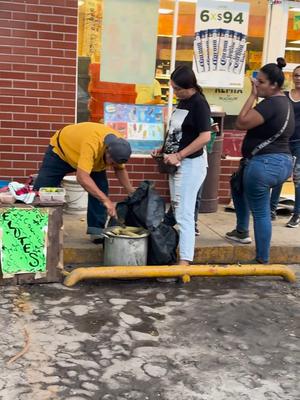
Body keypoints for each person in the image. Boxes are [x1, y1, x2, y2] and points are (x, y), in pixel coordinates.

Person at [226, 58, 294, 264]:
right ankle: (240, 230)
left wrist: (252, 96)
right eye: (256, 81)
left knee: (262, 213)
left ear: (274, 85)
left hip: (264, 165)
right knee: (237, 186)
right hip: (282, 163)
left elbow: (240, 122)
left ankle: (262, 258)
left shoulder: (271, 104)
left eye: (261, 82)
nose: (257, 85)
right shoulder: (286, 103)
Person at [33, 122, 134, 242]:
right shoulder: (92, 144)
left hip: (94, 162)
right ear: (107, 150)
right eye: (111, 162)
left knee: (99, 189)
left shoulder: (119, 147)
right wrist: (106, 200)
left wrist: (131, 192)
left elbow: (119, 169)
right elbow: (81, 177)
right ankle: (36, 229)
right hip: (62, 152)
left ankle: (96, 231)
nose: (112, 165)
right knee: (42, 190)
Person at [152, 65, 211, 266]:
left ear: (189, 86)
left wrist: (179, 154)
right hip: (176, 163)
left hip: (191, 164)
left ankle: (185, 260)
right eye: (173, 88)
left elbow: (205, 137)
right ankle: (180, 254)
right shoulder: (182, 102)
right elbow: (176, 132)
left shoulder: (199, 104)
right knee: (178, 210)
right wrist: (163, 149)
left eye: (177, 89)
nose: (175, 92)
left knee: (184, 213)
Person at [270, 64, 300, 228]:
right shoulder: (285, 96)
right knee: (278, 176)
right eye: (296, 75)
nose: (298, 78)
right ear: (292, 77)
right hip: (283, 142)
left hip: (299, 143)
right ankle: (271, 209)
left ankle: (296, 214)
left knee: (298, 178)